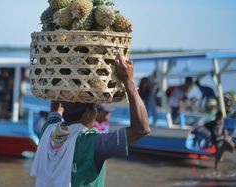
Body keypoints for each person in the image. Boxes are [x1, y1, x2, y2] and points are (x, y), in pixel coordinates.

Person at [30, 53, 150, 187]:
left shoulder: (49, 129)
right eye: (94, 108)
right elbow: (141, 129)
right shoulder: (93, 143)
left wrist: (62, 73)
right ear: (88, 113)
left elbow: (55, 108)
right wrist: (129, 82)